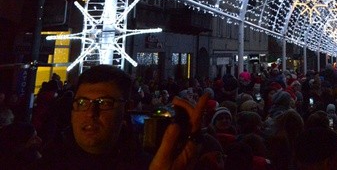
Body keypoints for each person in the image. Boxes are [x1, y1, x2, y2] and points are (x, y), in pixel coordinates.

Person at [34, 64, 209, 170]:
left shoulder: (151, 164)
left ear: (127, 109)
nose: (90, 113)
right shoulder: (41, 162)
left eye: (104, 103)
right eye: (82, 102)